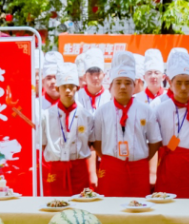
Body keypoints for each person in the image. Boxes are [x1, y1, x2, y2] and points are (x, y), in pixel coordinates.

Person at [90, 51, 160, 197]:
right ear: (111, 85)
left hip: (138, 168)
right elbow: (96, 141)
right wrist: (111, 159)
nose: (123, 87)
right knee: (111, 211)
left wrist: (142, 158)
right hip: (111, 168)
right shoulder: (102, 111)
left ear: (134, 85)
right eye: (118, 82)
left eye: (127, 83)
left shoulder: (146, 110)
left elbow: (154, 141)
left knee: (138, 210)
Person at [151, 50, 189, 198]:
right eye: (179, 83)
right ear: (170, 83)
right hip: (169, 167)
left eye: (187, 83)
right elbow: (154, 141)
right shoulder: (160, 109)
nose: (184, 88)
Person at [41, 62, 94, 196]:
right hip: (55, 169)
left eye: (71, 87)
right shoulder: (46, 115)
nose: (68, 91)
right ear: (58, 88)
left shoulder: (86, 115)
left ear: (77, 88)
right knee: (54, 207)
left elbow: (91, 144)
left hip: (79, 168)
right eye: (64, 87)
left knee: (80, 208)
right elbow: (42, 144)